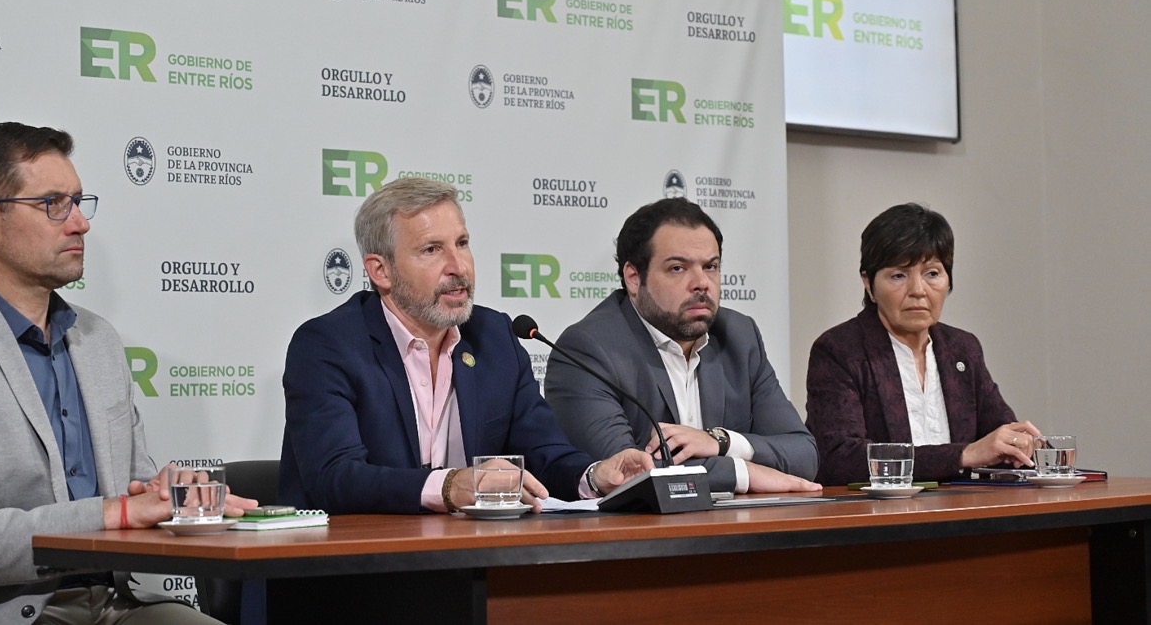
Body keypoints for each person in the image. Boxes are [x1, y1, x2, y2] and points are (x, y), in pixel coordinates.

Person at [0, 122, 253, 624]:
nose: (80, 224)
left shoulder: (99, 341)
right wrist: (113, 514)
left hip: (114, 601)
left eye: (78, 202)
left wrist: (166, 497)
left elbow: (131, 492)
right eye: (53, 204)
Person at [278, 178, 653, 514]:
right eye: (431, 250)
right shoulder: (328, 346)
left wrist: (593, 476)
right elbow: (335, 476)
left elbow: (543, 453)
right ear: (381, 271)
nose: (459, 266)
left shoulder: (495, 336)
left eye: (462, 243)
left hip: (467, 557)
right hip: (355, 560)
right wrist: (448, 486)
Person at [545, 198, 821, 494]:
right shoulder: (587, 349)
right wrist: (743, 472)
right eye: (678, 268)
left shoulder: (740, 337)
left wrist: (720, 441)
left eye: (711, 266)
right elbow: (629, 473)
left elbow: (804, 454)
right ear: (634, 278)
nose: (701, 283)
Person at [805, 203, 1039, 485]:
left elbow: (998, 437)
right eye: (899, 275)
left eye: (932, 274)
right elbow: (839, 458)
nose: (918, 290)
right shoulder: (839, 350)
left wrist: (1018, 445)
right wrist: (963, 455)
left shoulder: (962, 349)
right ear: (869, 284)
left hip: (963, 506)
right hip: (877, 510)